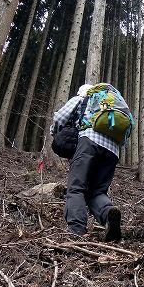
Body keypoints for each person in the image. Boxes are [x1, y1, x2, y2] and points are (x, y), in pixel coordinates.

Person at [51, 83, 122, 241]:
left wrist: (55, 133)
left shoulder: (83, 98)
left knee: (76, 188)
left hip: (89, 142)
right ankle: (108, 214)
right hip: (113, 150)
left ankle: (76, 231)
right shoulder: (112, 103)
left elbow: (59, 118)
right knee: (97, 191)